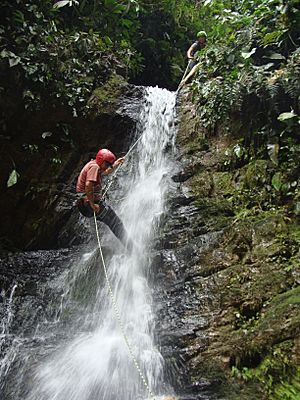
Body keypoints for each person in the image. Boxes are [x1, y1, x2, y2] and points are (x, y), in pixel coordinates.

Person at [76, 148, 133, 251]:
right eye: (107, 164)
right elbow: (88, 185)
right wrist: (93, 205)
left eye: (109, 165)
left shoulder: (95, 165)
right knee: (116, 222)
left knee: (115, 222)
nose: (108, 167)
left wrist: (116, 164)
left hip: (86, 204)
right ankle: (131, 248)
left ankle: (129, 246)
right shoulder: (94, 167)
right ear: (101, 160)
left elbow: (105, 172)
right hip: (88, 204)